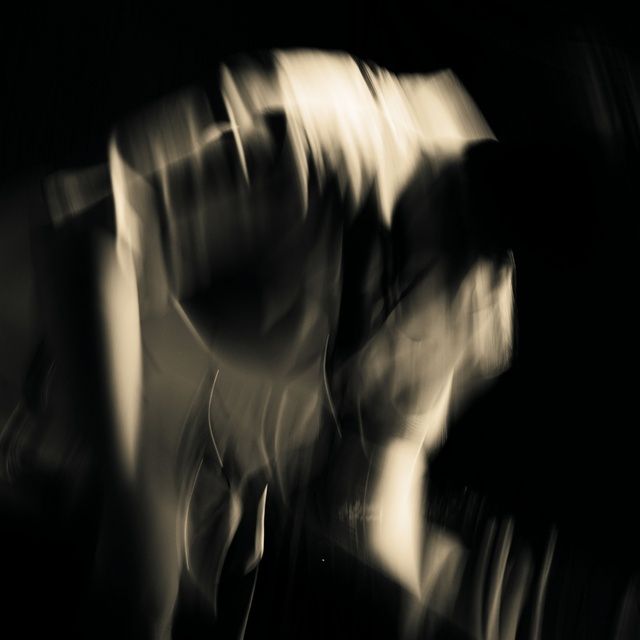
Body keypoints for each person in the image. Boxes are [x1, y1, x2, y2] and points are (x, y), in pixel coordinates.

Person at [1, 50, 515, 639]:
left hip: (120, 501)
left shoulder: (478, 298)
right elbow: (89, 237)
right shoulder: (316, 142)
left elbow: (378, 493)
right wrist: (130, 496)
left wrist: (421, 608)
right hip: (26, 372)